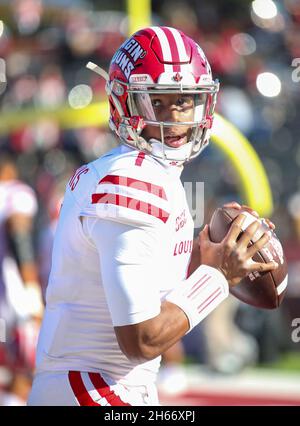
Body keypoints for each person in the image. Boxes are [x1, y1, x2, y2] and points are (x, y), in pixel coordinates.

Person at [28, 26, 277, 406]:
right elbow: (141, 338)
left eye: (184, 100)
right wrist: (218, 277)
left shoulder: (150, 173)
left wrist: (209, 255)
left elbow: (153, 291)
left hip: (104, 386)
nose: (174, 116)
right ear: (125, 104)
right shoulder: (132, 179)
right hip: (93, 386)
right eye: (156, 101)